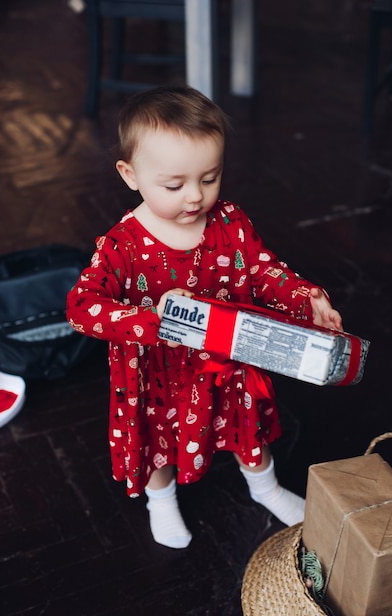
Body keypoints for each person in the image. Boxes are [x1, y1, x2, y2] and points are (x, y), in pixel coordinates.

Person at [66, 85, 342, 549]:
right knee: (157, 444)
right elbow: (81, 308)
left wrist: (304, 295)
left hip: (226, 361)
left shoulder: (229, 221)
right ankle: (162, 500)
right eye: (174, 185)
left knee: (246, 426)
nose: (195, 197)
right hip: (158, 375)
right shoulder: (122, 245)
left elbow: (262, 269)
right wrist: (154, 319)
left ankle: (266, 487)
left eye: (210, 178)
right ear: (129, 175)